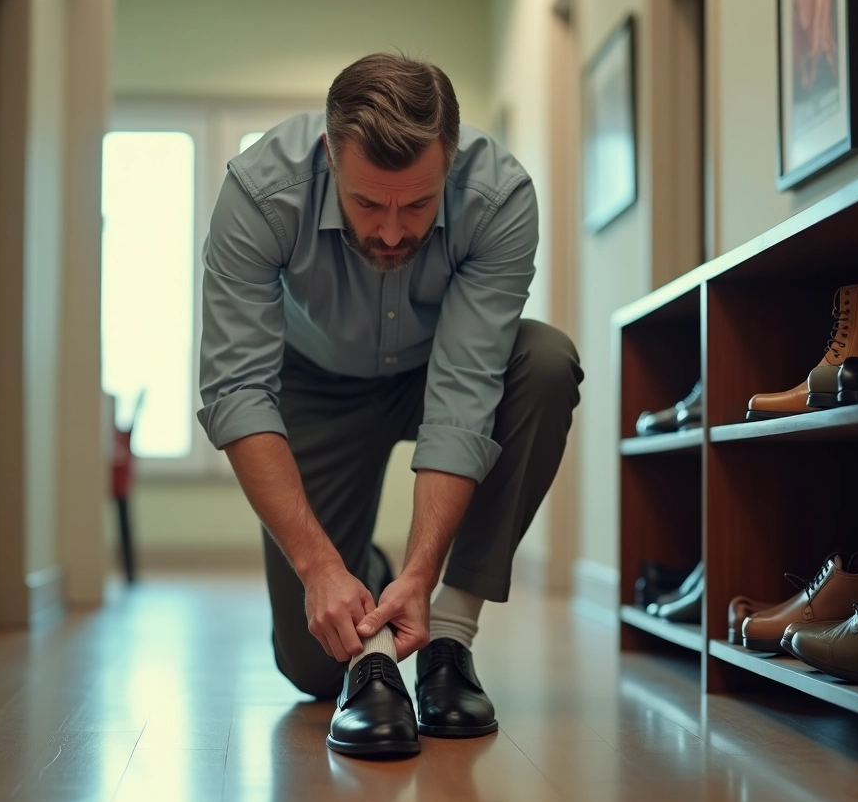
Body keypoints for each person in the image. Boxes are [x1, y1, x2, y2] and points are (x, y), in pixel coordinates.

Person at [197, 52, 582, 758]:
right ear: (329, 157)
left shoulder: (498, 198)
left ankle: (449, 647)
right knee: (314, 666)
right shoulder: (259, 194)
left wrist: (425, 579)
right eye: (368, 204)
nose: (395, 231)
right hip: (313, 384)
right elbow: (236, 391)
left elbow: (465, 394)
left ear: (452, 162)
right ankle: (363, 572)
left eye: (419, 204)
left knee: (546, 361)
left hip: (438, 367)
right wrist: (319, 569)